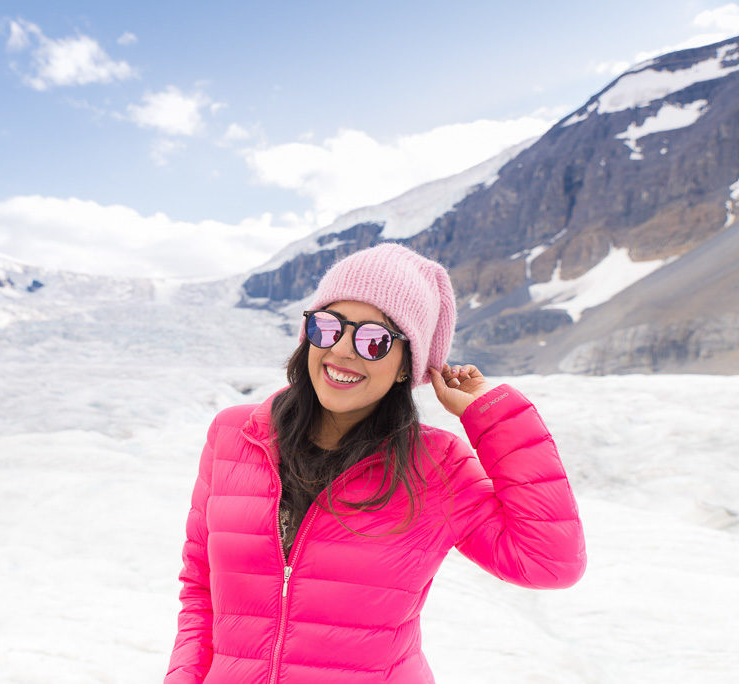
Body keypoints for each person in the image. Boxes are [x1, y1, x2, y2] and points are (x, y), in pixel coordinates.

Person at [165, 243, 586, 684]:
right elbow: (201, 591)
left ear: (407, 364)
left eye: (373, 340)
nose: (343, 350)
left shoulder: (436, 467)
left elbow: (550, 563)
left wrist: (492, 416)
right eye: (328, 326)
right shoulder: (235, 435)